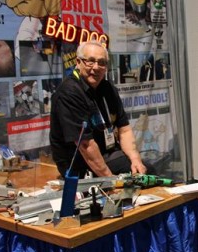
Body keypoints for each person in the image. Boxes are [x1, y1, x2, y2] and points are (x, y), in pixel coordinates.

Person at [50, 41, 147, 178]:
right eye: (90, 61)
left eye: (101, 63)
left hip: (108, 153)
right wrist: (111, 180)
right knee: (136, 180)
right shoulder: (69, 92)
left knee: (144, 173)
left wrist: (135, 159)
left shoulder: (107, 88)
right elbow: (85, 145)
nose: (96, 67)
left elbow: (124, 129)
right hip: (79, 163)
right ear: (78, 62)